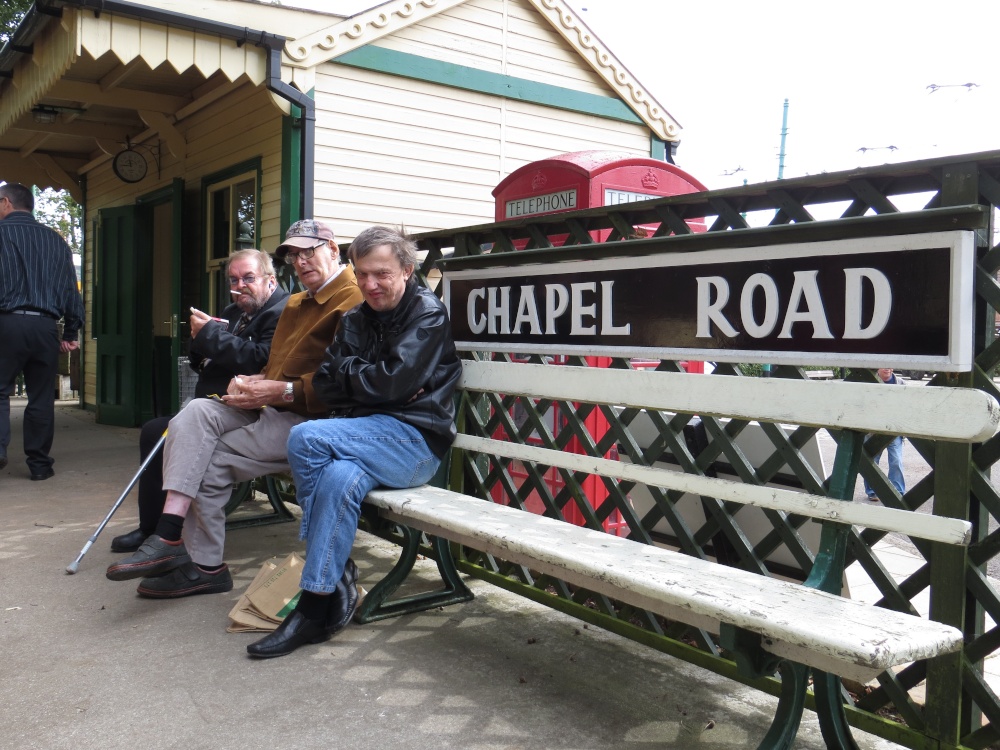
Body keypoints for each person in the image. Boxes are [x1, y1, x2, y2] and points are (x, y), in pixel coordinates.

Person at [106, 219, 363, 598]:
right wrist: (253, 383)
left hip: (312, 420)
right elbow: (271, 364)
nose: (302, 261)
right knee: (194, 412)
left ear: (334, 249)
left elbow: (343, 386)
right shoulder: (296, 302)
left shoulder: (352, 302)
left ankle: (205, 566)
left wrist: (275, 390)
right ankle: (167, 533)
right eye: (294, 255)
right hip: (271, 404)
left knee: (207, 461)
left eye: (310, 251)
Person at [246, 225, 462, 659]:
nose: (369, 285)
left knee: (306, 436)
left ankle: (328, 582)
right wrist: (375, 382)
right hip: (361, 437)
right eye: (362, 274)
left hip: (415, 445)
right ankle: (317, 604)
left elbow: (390, 385)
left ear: (406, 269)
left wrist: (363, 378)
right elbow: (329, 384)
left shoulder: (427, 314)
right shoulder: (357, 317)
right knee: (338, 478)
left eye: (381, 274)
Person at [109, 248, 289, 553]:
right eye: (233, 279)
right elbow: (202, 359)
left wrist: (213, 341)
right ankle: (152, 528)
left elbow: (258, 360)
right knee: (156, 431)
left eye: (248, 278)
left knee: (166, 434)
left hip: (254, 412)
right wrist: (203, 341)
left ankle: (168, 532)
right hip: (210, 406)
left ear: (269, 280)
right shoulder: (233, 312)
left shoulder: (281, 312)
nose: (240, 286)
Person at [0, 182, 84, 480]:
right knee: (41, 396)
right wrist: (71, 333)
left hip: (6, 323)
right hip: (45, 327)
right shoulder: (56, 241)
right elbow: (71, 292)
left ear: (5, 203)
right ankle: (39, 465)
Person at [863, 367, 906, 502]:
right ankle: (872, 491)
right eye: (884, 365)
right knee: (872, 463)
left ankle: (897, 492)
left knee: (896, 461)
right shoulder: (869, 383)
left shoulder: (901, 383)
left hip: (894, 431)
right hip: (873, 432)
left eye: (890, 365)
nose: (887, 368)